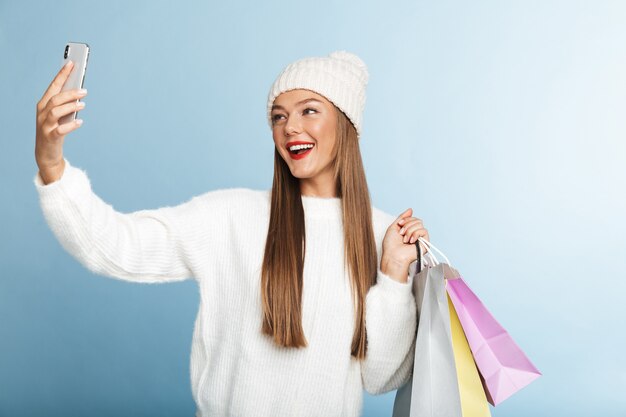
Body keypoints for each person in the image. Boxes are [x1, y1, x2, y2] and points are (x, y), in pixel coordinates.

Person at [33, 50, 430, 417]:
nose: (290, 127)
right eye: (278, 116)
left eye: (309, 110)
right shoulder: (229, 216)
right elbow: (113, 246)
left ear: (345, 124)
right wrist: (50, 162)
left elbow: (382, 379)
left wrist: (394, 272)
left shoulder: (382, 235)